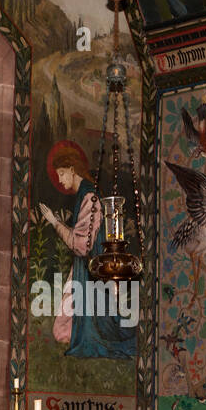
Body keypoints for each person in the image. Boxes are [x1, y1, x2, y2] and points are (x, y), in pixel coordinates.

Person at [36, 141, 136, 359]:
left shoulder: (90, 197)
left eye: (62, 174)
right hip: (85, 269)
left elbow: (81, 246)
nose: (60, 180)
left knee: (67, 331)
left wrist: (54, 222)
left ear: (72, 170)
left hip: (92, 270)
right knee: (61, 330)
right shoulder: (84, 195)